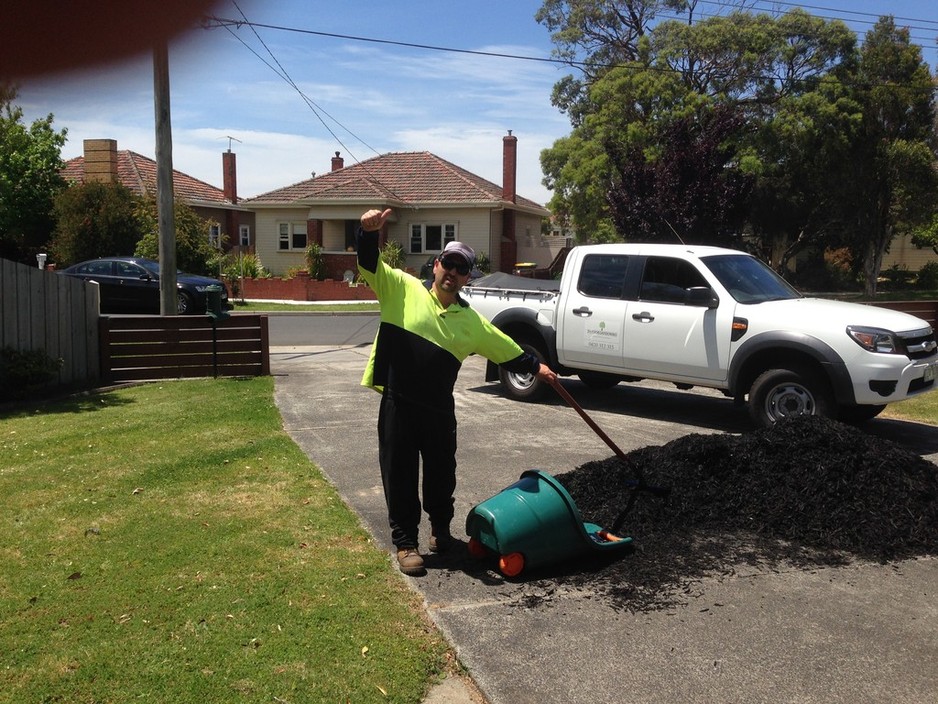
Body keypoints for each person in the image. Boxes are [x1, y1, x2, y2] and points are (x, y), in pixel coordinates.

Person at [357, 207, 557, 575]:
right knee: (398, 473)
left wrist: (537, 367)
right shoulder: (400, 288)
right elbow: (369, 264)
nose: (452, 272)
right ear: (436, 265)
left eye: (462, 268)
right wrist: (368, 233)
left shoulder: (471, 322)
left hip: (437, 411)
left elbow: (504, 347)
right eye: (448, 263)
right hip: (398, 403)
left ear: (467, 277)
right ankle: (405, 543)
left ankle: (440, 532)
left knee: (441, 474)